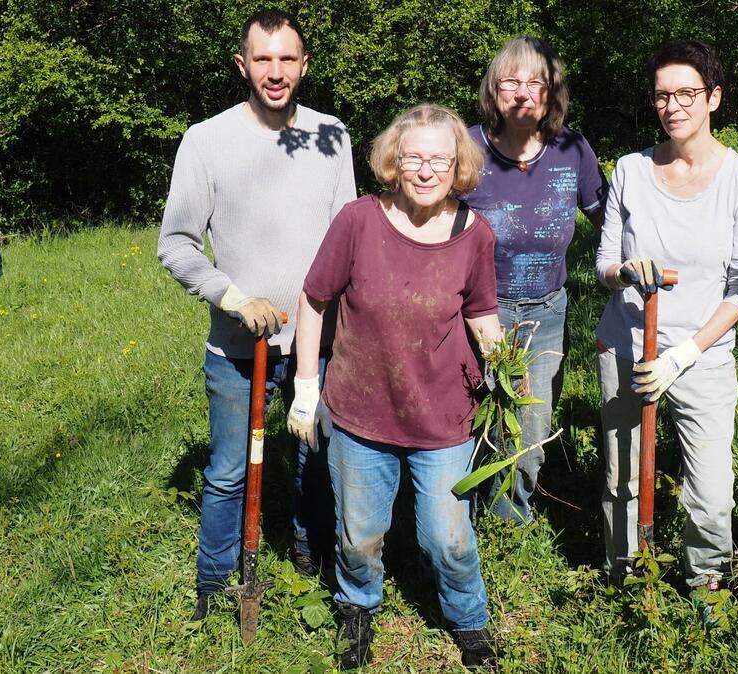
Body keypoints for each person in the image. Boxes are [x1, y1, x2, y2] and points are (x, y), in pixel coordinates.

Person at [288, 104, 503, 670]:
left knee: (446, 539)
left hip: (444, 414)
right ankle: (356, 606)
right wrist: (306, 387)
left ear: (458, 164)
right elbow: (313, 300)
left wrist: (506, 372)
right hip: (360, 409)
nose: (426, 170)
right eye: (414, 158)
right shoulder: (358, 221)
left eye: (440, 159)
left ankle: (468, 618)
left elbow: (482, 312)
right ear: (393, 161)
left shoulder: (475, 233)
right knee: (359, 535)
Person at [157, 9, 355, 621]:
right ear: (242, 65)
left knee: (314, 464)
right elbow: (177, 244)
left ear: (304, 66)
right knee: (224, 471)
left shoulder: (332, 136)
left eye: (287, 59)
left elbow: (347, 239)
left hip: (314, 344)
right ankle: (214, 587)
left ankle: (309, 561)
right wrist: (235, 298)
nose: (275, 72)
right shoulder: (206, 140)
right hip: (238, 344)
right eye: (262, 59)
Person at [595, 41, 738, 592]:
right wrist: (627, 271)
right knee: (621, 474)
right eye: (662, 96)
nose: (673, 106)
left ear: (713, 98)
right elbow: (601, 265)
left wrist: (684, 354)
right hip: (626, 344)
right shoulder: (630, 169)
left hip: (702, 355)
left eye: (687, 94)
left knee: (711, 488)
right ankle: (624, 572)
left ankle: (706, 583)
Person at [465, 36, 608, 523]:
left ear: (551, 92)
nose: (523, 92)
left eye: (535, 82)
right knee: (474, 420)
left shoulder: (572, 149)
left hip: (547, 312)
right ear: (493, 90)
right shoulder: (468, 149)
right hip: (480, 312)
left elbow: (610, 220)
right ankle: (467, 520)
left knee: (529, 429)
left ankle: (510, 528)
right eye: (511, 81)